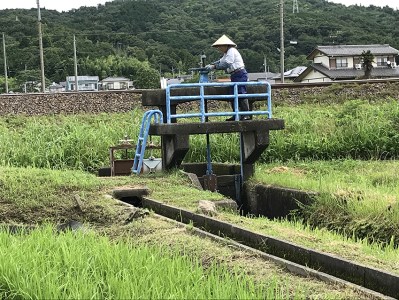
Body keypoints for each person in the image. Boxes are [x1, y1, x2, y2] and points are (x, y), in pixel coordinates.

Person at [205, 35, 251, 121]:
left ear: (226, 45)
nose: (219, 48)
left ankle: (246, 114)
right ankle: (236, 114)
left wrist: (214, 67)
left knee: (240, 92)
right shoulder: (226, 53)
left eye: (220, 46)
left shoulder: (231, 51)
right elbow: (220, 61)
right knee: (233, 94)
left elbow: (226, 63)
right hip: (234, 75)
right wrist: (212, 64)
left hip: (240, 73)